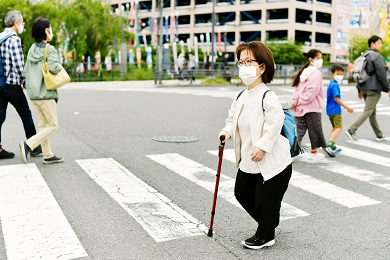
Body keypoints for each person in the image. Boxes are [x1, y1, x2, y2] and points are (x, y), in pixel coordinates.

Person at [218, 41, 292, 250]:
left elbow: (275, 123)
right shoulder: (240, 95)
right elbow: (232, 120)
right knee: (242, 193)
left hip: (273, 160)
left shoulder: (268, 96)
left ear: (262, 67)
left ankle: (265, 234)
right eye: (241, 62)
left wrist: (262, 146)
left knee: (266, 200)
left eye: (249, 61)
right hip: (249, 159)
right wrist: (226, 131)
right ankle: (269, 223)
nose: (244, 66)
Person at [20, 17, 64, 164]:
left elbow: (26, 70)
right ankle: (29, 144)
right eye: (50, 28)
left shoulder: (31, 49)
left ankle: (47, 154)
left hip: (34, 95)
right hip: (45, 93)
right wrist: (59, 66)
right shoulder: (49, 49)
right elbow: (54, 67)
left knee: (43, 124)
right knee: (53, 125)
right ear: (46, 31)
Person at [0, 10, 42, 160]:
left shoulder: (0, 37)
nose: (23, 25)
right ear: (16, 23)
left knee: (0, 116)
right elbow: (18, 65)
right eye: (22, 22)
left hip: (0, 84)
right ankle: (35, 146)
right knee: (25, 113)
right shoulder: (14, 39)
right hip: (12, 85)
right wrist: (24, 81)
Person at [291, 49, 335, 159]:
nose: (321, 60)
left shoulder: (305, 72)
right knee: (315, 130)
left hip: (300, 107)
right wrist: (302, 101)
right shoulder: (316, 73)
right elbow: (312, 90)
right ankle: (314, 153)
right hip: (312, 107)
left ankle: (290, 153)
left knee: (299, 131)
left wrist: (296, 101)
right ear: (311, 59)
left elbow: (298, 89)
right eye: (318, 58)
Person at [345, 35, 390, 141]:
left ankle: (379, 134)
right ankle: (352, 130)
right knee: (368, 111)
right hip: (373, 89)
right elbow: (381, 74)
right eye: (378, 43)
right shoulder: (376, 56)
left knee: (371, 112)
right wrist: (388, 88)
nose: (380, 45)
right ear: (372, 43)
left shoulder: (363, 55)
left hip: (364, 88)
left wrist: (359, 89)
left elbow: (359, 73)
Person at [325, 64, 354, 155]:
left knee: (334, 127)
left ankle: (332, 145)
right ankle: (330, 145)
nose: (340, 76)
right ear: (332, 74)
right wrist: (347, 107)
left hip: (330, 110)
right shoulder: (334, 85)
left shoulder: (331, 83)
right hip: (335, 110)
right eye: (338, 73)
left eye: (341, 74)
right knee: (339, 128)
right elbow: (336, 98)